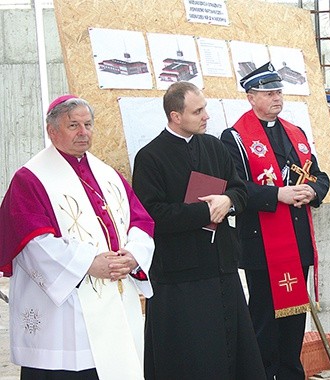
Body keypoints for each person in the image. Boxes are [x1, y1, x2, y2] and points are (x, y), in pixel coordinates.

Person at [0, 95, 155, 379]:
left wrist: (132, 256)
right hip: (65, 310)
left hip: (114, 298)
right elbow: (33, 244)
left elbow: (141, 220)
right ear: (52, 130)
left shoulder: (107, 174)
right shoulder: (30, 179)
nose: (83, 132)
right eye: (73, 125)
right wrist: (88, 264)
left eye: (88, 124)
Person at [131, 82, 266, 379]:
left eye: (204, 108)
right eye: (198, 111)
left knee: (233, 355)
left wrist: (228, 200)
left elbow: (240, 189)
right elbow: (153, 215)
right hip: (180, 277)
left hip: (221, 268)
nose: (207, 116)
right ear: (175, 116)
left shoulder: (215, 146)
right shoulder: (150, 157)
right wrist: (205, 211)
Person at [220, 62, 330, 379]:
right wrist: (276, 196)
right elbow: (235, 188)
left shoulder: (296, 133)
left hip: (297, 241)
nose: (277, 98)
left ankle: (292, 374)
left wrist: (312, 190)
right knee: (265, 320)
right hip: (261, 244)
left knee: (295, 319)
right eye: (269, 93)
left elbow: (320, 176)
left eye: (279, 91)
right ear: (251, 97)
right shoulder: (235, 138)